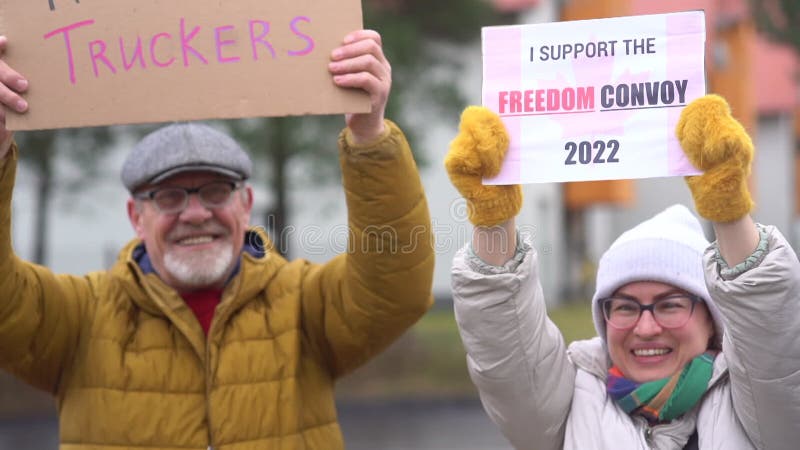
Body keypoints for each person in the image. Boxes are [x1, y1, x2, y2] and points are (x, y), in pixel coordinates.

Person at [0, 29, 435, 449]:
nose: (195, 213)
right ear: (136, 215)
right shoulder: (79, 318)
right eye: (169, 196)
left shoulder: (303, 304)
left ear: (245, 204)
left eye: (214, 192)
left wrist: (369, 136)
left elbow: (394, 289)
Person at [444, 96, 800, 449]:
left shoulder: (757, 408)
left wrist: (729, 210)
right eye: (626, 307)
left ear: (711, 320)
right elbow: (507, 353)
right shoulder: (567, 408)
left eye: (670, 305)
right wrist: (492, 216)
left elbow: (772, 335)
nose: (645, 328)